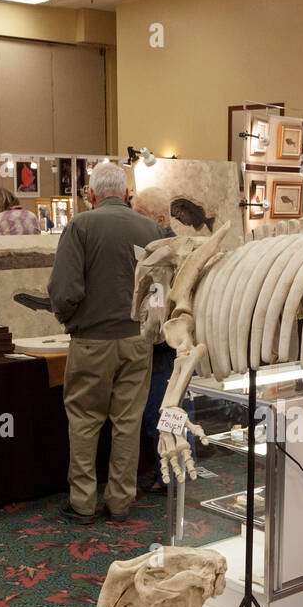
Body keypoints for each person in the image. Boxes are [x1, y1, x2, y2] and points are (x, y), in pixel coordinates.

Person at [49, 161, 168, 524]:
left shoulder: (80, 226)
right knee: (128, 422)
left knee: (85, 422)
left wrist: (69, 320)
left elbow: (65, 291)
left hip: (91, 342)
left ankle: (83, 503)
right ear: (127, 194)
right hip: (137, 342)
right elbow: (161, 290)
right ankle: (120, 503)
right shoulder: (152, 229)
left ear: (91, 194)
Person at [132, 188, 180, 494]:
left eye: (140, 213)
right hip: (165, 344)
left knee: (161, 409)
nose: (134, 220)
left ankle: (171, 475)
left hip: (163, 346)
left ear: (158, 218)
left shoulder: (167, 251)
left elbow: (159, 300)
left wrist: (150, 331)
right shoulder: (163, 246)